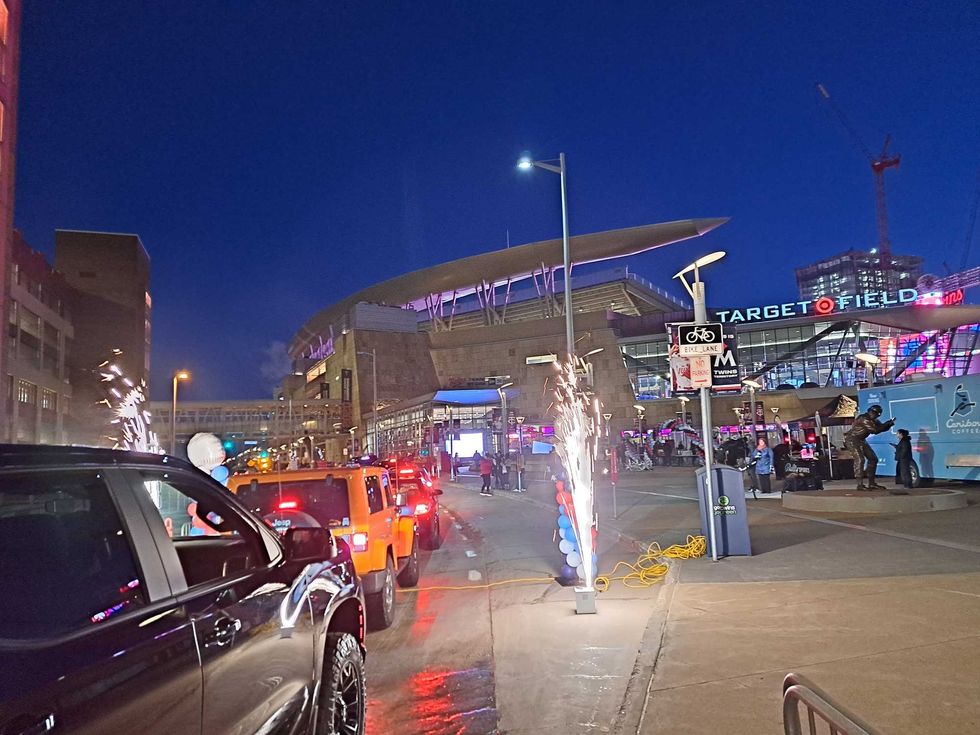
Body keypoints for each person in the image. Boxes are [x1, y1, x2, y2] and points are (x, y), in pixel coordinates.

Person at [842, 404, 895, 490]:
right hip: (852, 439)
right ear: (871, 412)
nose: (876, 416)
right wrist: (887, 424)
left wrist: (889, 424)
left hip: (861, 440)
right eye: (875, 414)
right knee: (860, 459)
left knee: (873, 459)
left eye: (877, 415)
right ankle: (860, 484)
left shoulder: (873, 420)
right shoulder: (864, 418)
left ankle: (872, 483)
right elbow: (875, 430)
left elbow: (881, 428)